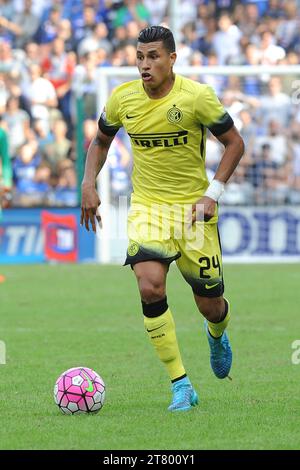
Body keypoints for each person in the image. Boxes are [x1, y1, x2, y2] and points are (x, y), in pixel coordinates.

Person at [80, 26, 244, 412]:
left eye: (153, 56)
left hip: (193, 212)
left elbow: (235, 143)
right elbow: (101, 141)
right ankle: (180, 383)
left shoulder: (197, 98)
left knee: (211, 304)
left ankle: (217, 333)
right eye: (139, 56)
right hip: (148, 209)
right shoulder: (123, 99)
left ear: (172, 58)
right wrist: (88, 183)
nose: (144, 65)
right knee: (150, 287)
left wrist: (212, 193)